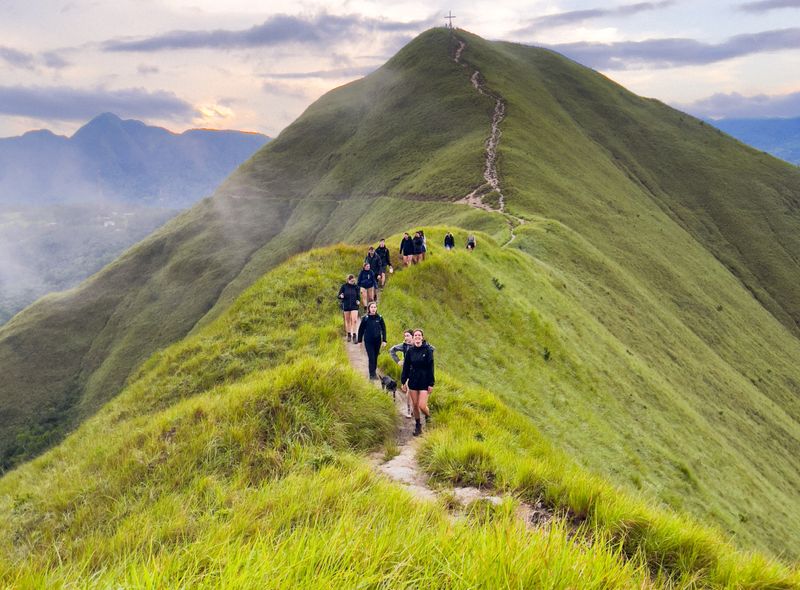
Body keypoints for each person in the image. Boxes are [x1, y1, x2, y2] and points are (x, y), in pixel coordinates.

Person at [401, 328, 435, 436]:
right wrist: (403, 381)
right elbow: (406, 367)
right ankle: (418, 425)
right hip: (413, 380)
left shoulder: (428, 350)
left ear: (422, 337)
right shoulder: (410, 351)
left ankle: (428, 417)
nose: (417, 337)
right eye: (415, 335)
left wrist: (431, 383)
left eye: (419, 335)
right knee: (415, 405)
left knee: (422, 406)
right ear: (413, 338)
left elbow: (431, 367)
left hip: (425, 381)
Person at [357, 301, 387, 380]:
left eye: (374, 307)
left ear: (376, 308)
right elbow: (361, 330)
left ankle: (373, 371)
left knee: (376, 357)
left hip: (377, 341)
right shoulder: (365, 318)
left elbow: (384, 329)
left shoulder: (380, 318)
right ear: (369, 309)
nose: (373, 309)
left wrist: (384, 340)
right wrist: (359, 341)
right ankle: (372, 374)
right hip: (368, 341)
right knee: (371, 357)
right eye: (371, 307)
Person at [389, 329, 414, 418]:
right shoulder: (404, 346)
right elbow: (392, 350)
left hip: (418, 371)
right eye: (405, 336)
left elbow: (430, 349)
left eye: (408, 335)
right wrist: (398, 361)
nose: (406, 337)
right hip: (407, 370)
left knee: (415, 391)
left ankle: (414, 408)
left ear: (413, 336)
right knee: (409, 391)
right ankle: (409, 410)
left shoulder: (418, 344)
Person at [337, 274, 360, 342]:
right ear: (348, 280)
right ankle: (349, 335)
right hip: (346, 305)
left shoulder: (356, 287)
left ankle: (354, 335)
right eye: (351, 281)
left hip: (354, 305)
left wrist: (358, 301)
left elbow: (358, 296)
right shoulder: (344, 286)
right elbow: (339, 296)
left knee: (354, 320)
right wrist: (341, 296)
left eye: (353, 281)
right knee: (347, 321)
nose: (352, 282)